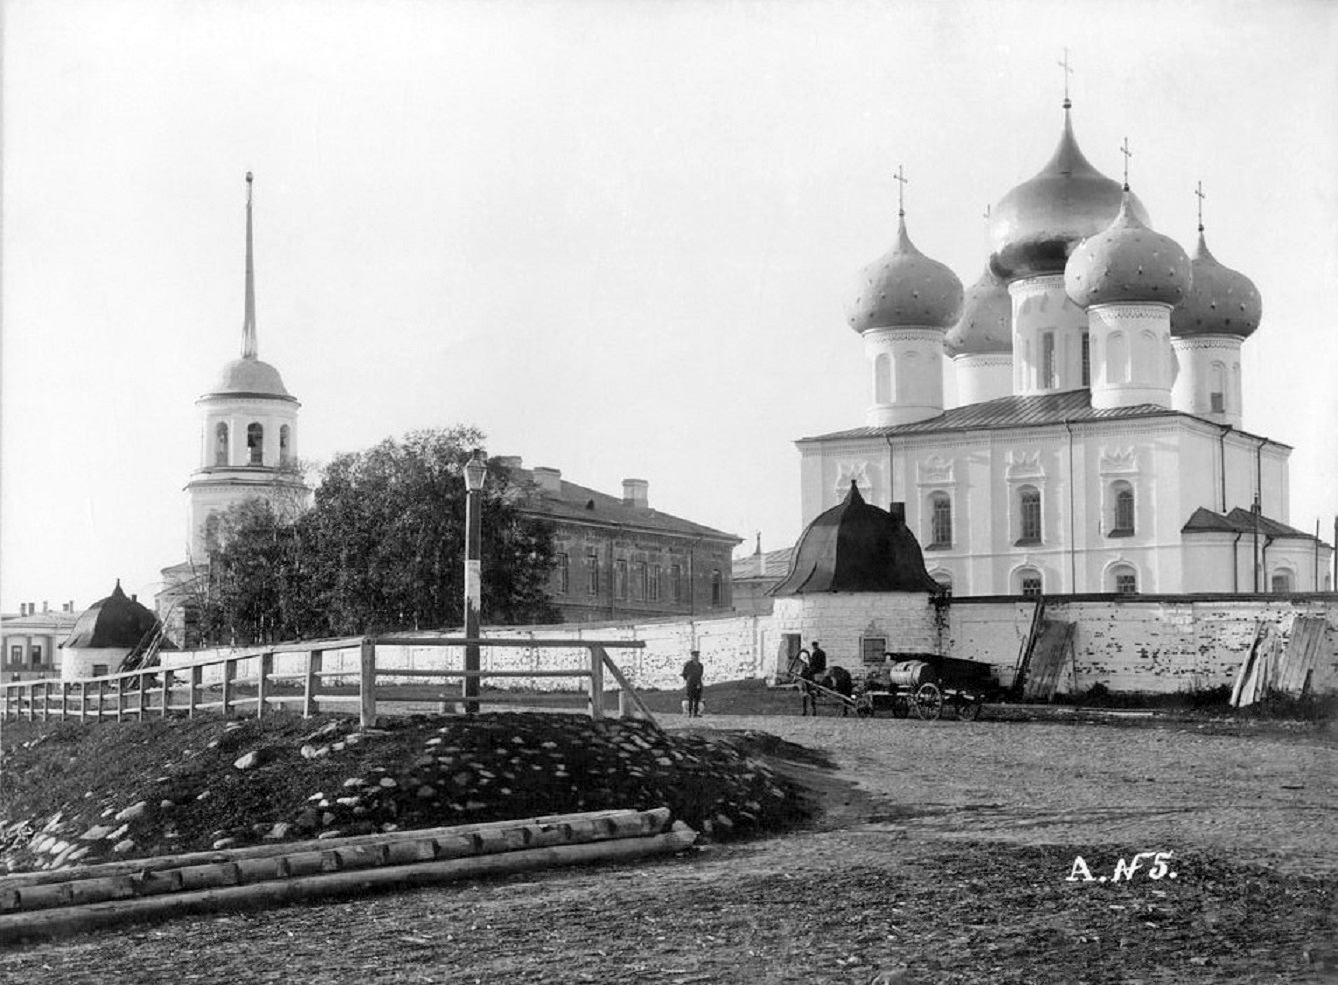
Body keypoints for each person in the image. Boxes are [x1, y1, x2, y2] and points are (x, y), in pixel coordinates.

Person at [681, 649, 704, 718]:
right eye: (694, 656)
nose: (696, 657)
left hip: (698, 683)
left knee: (697, 698)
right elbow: (684, 673)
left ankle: (695, 713)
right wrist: (688, 679)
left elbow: (701, 674)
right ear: (692, 656)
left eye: (697, 656)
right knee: (690, 698)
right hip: (690, 683)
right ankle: (689, 713)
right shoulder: (688, 664)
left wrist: (699, 683)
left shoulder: (700, 665)